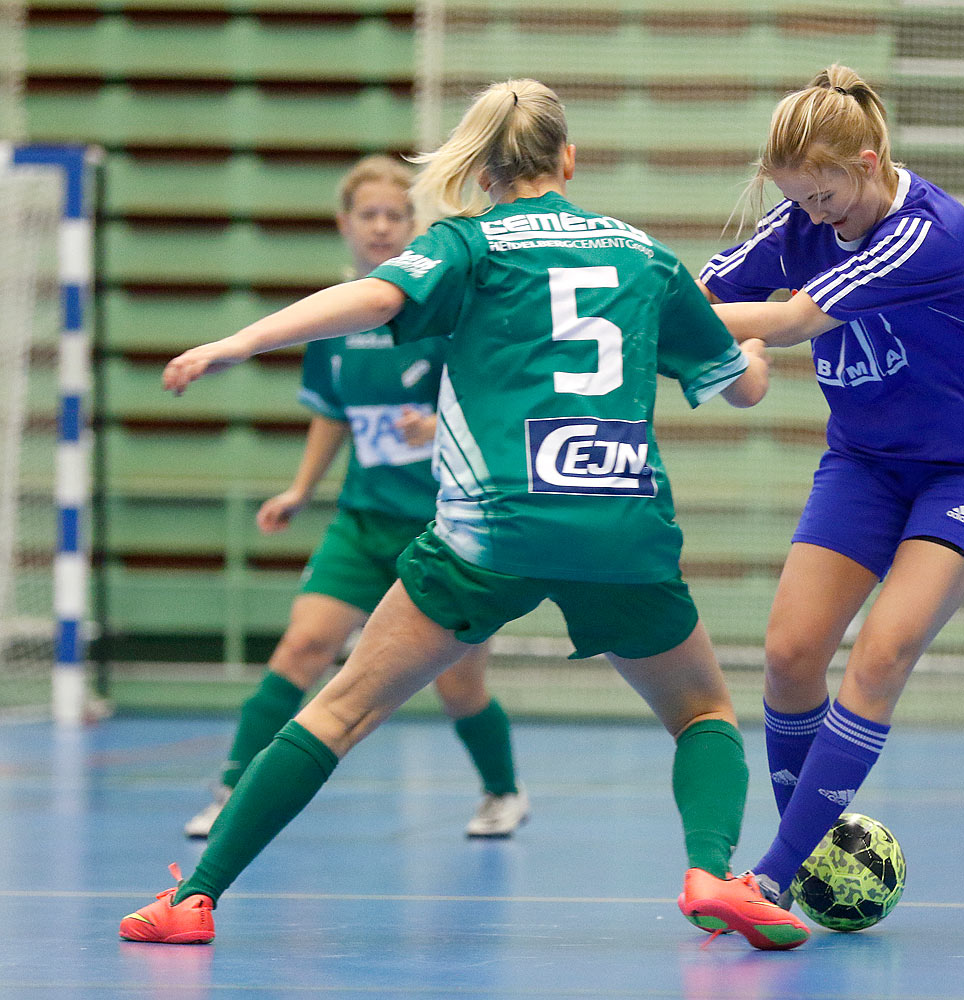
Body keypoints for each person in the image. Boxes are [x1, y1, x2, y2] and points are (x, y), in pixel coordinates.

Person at [119, 79, 809, 951]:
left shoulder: (469, 246)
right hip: (621, 529)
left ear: (481, 172)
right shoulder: (643, 257)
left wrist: (238, 341)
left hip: (495, 529)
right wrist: (758, 347)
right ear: (569, 158)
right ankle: (711, 870)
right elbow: (742, 388)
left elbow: (374, 299)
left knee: (338, 711)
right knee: (704, 714)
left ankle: (197, 897)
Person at [698, 65, 964, 905]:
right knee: (788, 657)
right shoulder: (800, 221)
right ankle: (814, 858)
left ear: (867, 161)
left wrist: (665, 323)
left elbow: (789, 321)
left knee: (882, 653)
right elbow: (710, 290)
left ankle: (772, 880)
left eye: (825, 199)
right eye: (799, 203)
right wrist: (711, 335)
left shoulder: (930, 232)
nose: (813, 218)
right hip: (865, 460)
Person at [182, 155, 528, 842]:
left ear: (413, 226)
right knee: (303, 648)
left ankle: (502, 792)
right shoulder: (330, 319)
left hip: (446, 527)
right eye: (367, 216)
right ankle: (231, 789)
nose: (380, 227)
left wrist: (438, 426)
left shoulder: (443, 313)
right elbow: (332, 414)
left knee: (458, 685)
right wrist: (300, 489)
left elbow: (495, 395)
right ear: (345, 225)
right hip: (362, 523)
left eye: (394, 216)